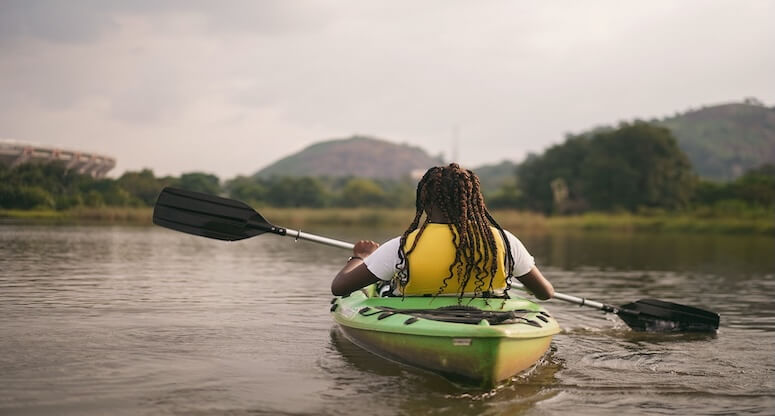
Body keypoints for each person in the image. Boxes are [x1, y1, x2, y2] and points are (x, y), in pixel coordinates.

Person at [331, 163, 554, 301]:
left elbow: (339, 288)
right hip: (490, 316)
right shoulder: (504, 241)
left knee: (383, 285)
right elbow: (545, 293)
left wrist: (360, 257)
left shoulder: (404, 246)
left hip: (417, 319)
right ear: (473, 200)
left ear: (424, 200)